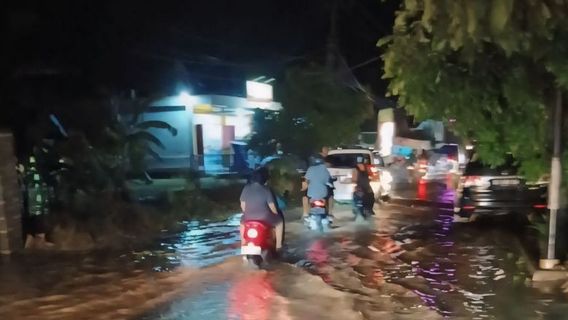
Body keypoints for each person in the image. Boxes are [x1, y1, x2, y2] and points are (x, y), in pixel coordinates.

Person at [240, 168, 284, 251]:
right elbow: (273, 209)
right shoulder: (266, 190)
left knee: (242, 222)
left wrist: (248, 213)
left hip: (248, 218)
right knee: (279, 222)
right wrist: (276, 214)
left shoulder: (246, 189)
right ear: (265, 179)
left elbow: (243, 206)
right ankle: (278, 246)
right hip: (265, 219)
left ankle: (243, 244)